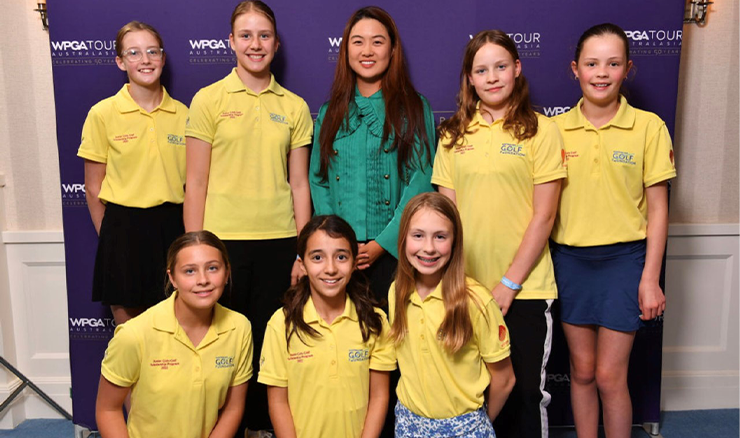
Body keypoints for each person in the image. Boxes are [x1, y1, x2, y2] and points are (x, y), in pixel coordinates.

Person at [184, 1, 312, 432]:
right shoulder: (207, 100)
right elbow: (196, 183)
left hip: (279, 240)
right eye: (246, 35)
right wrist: (195, 251)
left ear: (275, 44)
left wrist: (303, 249)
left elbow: (299, 184)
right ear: (231, 41)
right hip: (222, 242)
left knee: (268, 343)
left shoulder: (293, 106)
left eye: (263, 36)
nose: (255, 44)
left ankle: (262, 426)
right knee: (223, 344)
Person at [432, 30, 567, 438]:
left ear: (517, 69)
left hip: (524, 288)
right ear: (469, 79)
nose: (492, 77)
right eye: (481, 70)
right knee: (474, 392)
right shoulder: (453, 135)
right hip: (465, 286)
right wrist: (455, 283)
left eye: (501, 67)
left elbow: (544, 217)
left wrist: (509, 283)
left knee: (526, 392)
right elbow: (446, 218)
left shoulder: (543, 131)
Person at [550, 23, 675, 438]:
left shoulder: (649, 127)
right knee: (582, 372)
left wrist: (650, 279)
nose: (601, 72)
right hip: (569, 262)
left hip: (625, 262)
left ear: (627, 69)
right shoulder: (553, 131)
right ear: (575, 69)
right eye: (591, 63)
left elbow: (658, 209)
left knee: (608, 375)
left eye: (613, 63)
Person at [309, 6, 436, 306]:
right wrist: (337, 243)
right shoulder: (329, 113)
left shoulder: (415, 107)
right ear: (346, 50)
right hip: (339, 257)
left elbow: (421, 180)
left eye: (377, 41)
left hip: (398, 253)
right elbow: (319, 181)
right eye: (358, 41)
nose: (367, 50)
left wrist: (383, 243)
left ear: (392, 50)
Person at [78, 21, 186, 325]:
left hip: (172, 227)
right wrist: (111, 237)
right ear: (120, 61)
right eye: (135, 53)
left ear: (163, 58)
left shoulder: (184, 114)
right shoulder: (103, 113)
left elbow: (194, 184)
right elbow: (92, 187)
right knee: (128, 334)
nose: (146, 60)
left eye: (153, 51)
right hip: (122, 229)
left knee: (174, 326)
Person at [95, 231, 253, 438]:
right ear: (172, 278)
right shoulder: (134, 334)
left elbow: (233, 408)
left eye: (212, 268)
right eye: (189, 271)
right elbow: (108, 410)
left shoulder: (239, 328)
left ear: (227, 273)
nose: (203, 280)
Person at [389, 192, 515, 437]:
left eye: (440, 237)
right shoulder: (397, 292)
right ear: (403, 239)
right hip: (408, 424)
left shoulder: (476, 301)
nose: (428, 248)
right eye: (418, 236)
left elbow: (505, 379)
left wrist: (475, 425)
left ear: (455, 241)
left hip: (465, 427)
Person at [258, 215, 396, 438]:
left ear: (354, 263)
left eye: (341, 257)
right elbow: (277, 401)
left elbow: (379, 396)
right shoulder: (281, 323)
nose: (330, 268)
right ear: (302, 264)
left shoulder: (374, 320)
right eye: (317, 257)